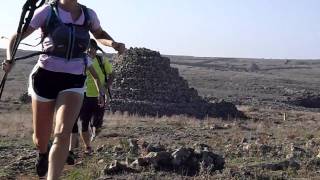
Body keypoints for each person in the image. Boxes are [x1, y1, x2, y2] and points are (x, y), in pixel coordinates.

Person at [1, 0, 125, 179]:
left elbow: (99, 33)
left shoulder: (88, 14)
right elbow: (17, 36)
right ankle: (42, 153)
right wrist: (10, 58)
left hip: (73, 80)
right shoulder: (47, 12)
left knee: (62, 132)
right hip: (45, 77)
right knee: (40, 139)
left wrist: (113, 43)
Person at [67, 39, 114, 165]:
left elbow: (112, 74)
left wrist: (105, 87)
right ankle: (88, 147)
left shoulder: (101, 60)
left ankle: (95, 131)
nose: (89, 50)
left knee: (97, 124)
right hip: (84, 96)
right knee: (83, 123)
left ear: (96, 49)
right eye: (87, 48)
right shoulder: (81, 61)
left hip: (100, 95)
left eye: (91, 48)